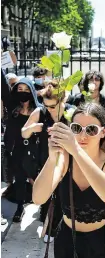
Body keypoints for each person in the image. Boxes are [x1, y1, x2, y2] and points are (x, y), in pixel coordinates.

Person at [33, 103, 105, 258]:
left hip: (99, 242)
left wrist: (75, 149)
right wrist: (52, 158)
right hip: (66, 240)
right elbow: (38, 198)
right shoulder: (65, 159)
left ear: (103, 132)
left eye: (91, 130)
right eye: (76, 128)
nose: (83, 136)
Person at [22, 79, 72, 243]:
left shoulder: (70, 113)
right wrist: (32, 128)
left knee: (63, 193)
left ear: (62, 100)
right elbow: (24, 133)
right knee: (49, 193)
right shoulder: (40, 112)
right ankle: (50, 226)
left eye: (52, 106)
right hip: (46, 158)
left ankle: (57, 227)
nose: (49, 109)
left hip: (67, 158)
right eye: (47, 105)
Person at [3, 78, 42, 222]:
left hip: (34, 151)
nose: (23, 93)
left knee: (36, 179)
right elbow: (4, 88)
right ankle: (19, 208)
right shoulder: (13, 108)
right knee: (19, 179)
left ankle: (44, 205)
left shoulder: (38, 110)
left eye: (26, 90)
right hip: (17, 150)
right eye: (20, 90)